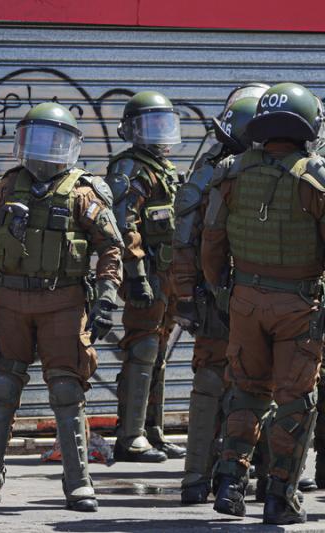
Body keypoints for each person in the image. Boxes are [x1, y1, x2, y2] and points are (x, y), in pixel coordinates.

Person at [0, 102, 123, 511]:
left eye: (54, 140)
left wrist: (106, 298)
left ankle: (78, 482)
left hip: (63, 303)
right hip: (10, 301)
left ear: (70, 146)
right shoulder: (6, 186)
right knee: (0, 390)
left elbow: (110, 248)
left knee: (67, 391)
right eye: (36, 138)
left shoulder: (84, 190)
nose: (44, 149)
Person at [202, 82, 325, 525]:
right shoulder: (315, 176)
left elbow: (211, 239)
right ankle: (278, 497)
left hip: (244, 301)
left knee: (246, 390)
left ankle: (231, 484)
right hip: (298, 303)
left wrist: (222, 292)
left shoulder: (231, 171)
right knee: (296, 400)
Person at [171, 85, 266, 504]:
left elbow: (184, 243)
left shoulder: (212, 170)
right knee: (264, 384)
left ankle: (196, 479)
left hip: (214, 295)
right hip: (256, 296)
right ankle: (268, 481)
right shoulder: (276, 168)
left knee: (211, 383)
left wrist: (187, 297)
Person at [105, 90, 186, 462]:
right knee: (143, 350)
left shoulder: (163, 168)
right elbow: (124, 226)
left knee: (159, 352)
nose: (158, 132)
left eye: (163, 123)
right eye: (149, 124)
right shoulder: (129, 169)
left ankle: (153, 430)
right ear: (131, 130)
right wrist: (135, 275)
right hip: (146, 273)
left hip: (166, 273)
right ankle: (130, 435)